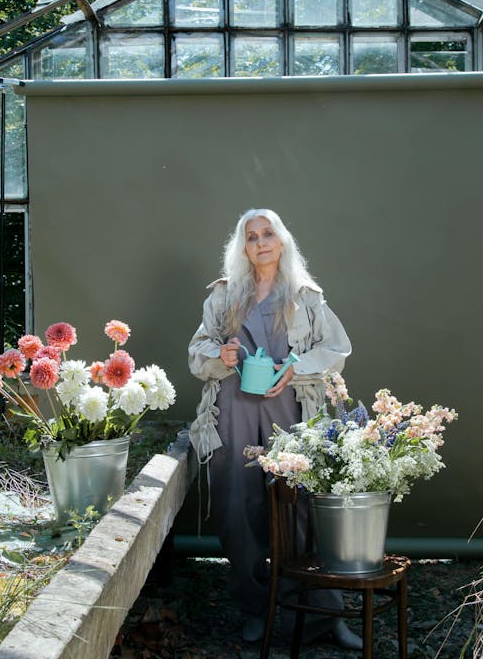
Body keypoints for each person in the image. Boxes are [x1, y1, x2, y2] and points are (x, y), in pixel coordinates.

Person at [188, 209, 362, 650]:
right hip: (234, 409)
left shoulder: (305, 296)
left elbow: (336, 348)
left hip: (295, 409)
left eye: (268, 234)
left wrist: (297, 366)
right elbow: (198, 350)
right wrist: (220, 355)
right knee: (236, 507)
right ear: (242, 247)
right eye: (252, 236)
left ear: (281, 242)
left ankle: (323, 616)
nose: (261, 242)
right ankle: (255, 610)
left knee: (303, 507)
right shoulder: (225, 297)